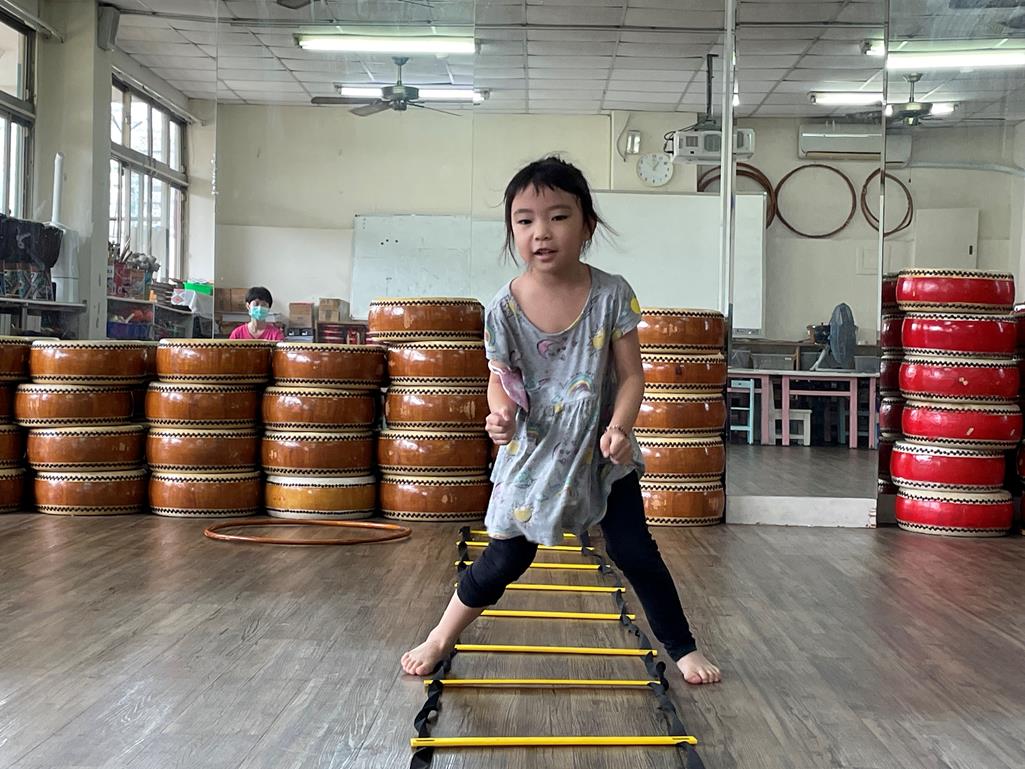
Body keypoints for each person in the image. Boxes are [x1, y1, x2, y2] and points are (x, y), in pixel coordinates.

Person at [401, 157, 721, 685]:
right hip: (534, 449)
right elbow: (500, 376)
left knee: (634, 550)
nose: (541, 232)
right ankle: (439, 636)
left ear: (587, 225)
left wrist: (620, 428)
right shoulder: (503, 307)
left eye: (558, 216)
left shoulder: (612, 294)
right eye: (525, 220)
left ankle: (682, 646)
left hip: (602, 449)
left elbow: (632, 376)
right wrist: (501, 413)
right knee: (506, 557)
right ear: (512, 231)